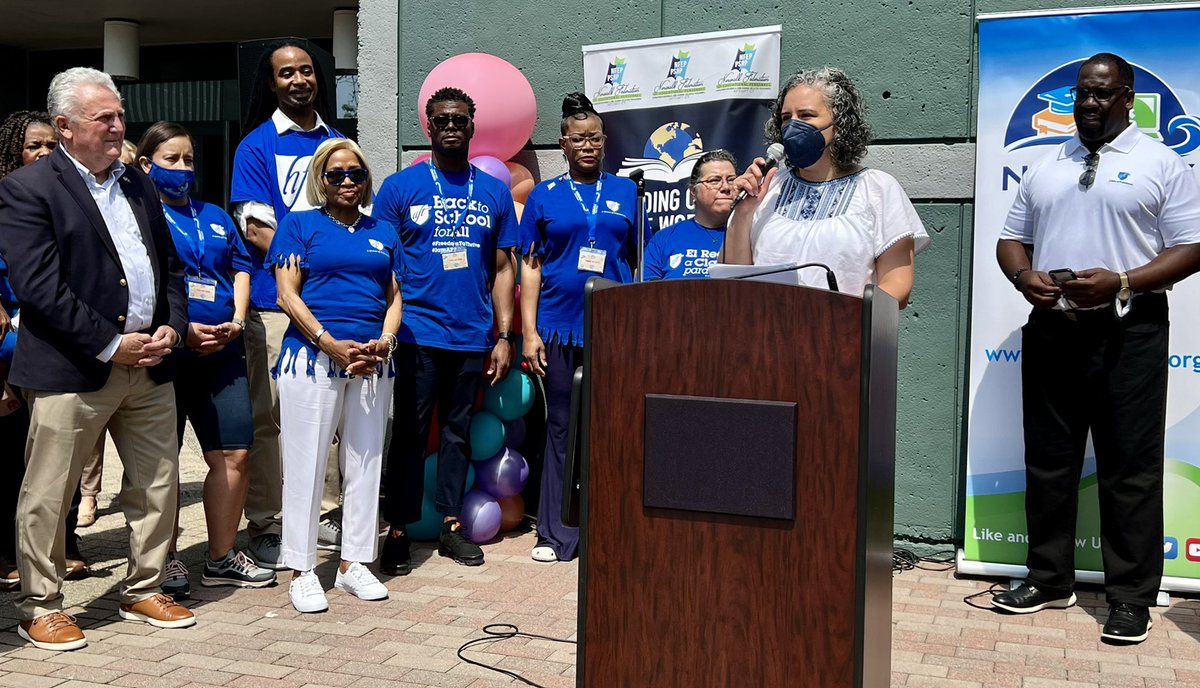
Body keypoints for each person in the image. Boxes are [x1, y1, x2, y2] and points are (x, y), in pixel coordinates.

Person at [992, 53, 1200, 644]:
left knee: (1128, 467)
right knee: (1050, 459)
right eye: (1083, 92)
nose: (1089, 103)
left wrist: (1125, 280)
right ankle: (1048, 578)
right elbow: (1013, 238)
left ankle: (1130, 597)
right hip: (1055, 326)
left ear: (1127, 97)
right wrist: (1022, 276)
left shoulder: (1163, 163)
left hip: (1129, 331)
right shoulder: (1047, 163)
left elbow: (1192, 246)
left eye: (1102, 94)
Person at [0, 67, 195, 652]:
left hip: (150, 365)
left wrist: (172, 328)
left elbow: (170, 268)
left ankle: (143, 587)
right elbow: (39, 288)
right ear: (64, 126)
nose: (118, 127)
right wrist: (111, 343)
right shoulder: (29, 188)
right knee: (49, 492)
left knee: (158, 485)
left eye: (119, 116)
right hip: (72, 368)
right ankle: (41, 603)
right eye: (103, 117)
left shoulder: (138, 184)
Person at [374, 87, 517, 574]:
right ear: (428, 128)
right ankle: (397, 529)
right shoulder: (399, 188)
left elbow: (502, 269)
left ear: (472, 127)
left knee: (456, 434)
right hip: (414, 334)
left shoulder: (494, 191)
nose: (452, 126)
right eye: (443, 120)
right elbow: (382, 265)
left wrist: (503, 335)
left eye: (460, 119)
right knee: (410, 437)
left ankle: (451, 525)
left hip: (472, 335)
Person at [137, 121, 276, 597]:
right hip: (169, 353)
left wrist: (236, 322)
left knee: (235, 453)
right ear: (145, 164)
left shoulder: (213, 214)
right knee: (163, 463)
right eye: (170, 159)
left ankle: (220, 557)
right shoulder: (140, 216)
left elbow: (240, 267)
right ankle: (166, 558)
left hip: (224, 352)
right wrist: (182, 330)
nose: (182, 168)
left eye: (189, 159)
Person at [270, 138, 401, 613]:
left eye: (356, 173)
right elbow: (287, 294)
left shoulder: (384, 230)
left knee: (366, 464)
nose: (347, 181)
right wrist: (328, 343)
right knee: (304, 465)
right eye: (336, 174)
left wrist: (384, 343)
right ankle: (302, 569)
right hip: (311, 359)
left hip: (372, 362)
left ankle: (353, 564)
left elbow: (394, 297)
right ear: (320, 180)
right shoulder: (298, 225)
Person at [231, 40, 345, 569]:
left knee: (331, 414)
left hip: (334, 305)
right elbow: (255, 227)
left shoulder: (340, 143)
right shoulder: (256, 146)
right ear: (271, 84)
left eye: (305, 71)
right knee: (270, 418)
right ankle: (266, 522)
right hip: (276, 305)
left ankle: (325, 512)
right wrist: (316, 257)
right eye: (285, 74)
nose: (298, 80)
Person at [519, 92, 644, 563]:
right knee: (560, 428)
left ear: (604, 142)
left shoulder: (628, 192)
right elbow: (530, 267)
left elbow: (633, 264)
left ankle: (605, 528)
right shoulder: (544, 196)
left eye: (594, 137)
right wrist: (529, 332)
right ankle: (554, 534)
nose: (587, 145)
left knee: (609, 429)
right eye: (578, 139)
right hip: (557, 328)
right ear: (563, 145)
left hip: (610, 329)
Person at [721, 67, 928, 306]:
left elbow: (898, 284)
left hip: (841, 336)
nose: (792, 126)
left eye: (806, 115)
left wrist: (846, 319)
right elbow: (734, 281)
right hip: (767, 335)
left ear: (839, 126)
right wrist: (744, 212)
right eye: (787, 118)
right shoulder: (769, 186)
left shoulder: (877, 188)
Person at [0, 110, 89, 590]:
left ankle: (67, 542)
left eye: (52, 146)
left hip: (59, 340)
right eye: (34, 146)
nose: (44, 154)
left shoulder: (67, 199)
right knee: (12, 456)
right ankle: (7, 551)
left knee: (63, 450)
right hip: (8, 348)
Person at [643, 150, 738, 280]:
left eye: (731, 180)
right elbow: (643, 292)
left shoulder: (748, 236)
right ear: (693, 191)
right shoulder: (663, 239)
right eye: (715, 180)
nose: (726, 187)